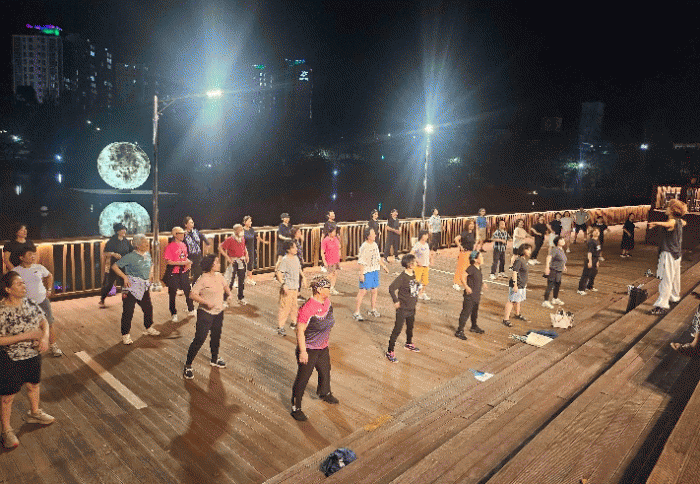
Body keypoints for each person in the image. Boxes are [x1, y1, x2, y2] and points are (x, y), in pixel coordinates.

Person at [0, 271, 55, 449]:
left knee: (33, 385)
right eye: (19, 284)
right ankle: (6, 430)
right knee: (8, 396)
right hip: (10, 357)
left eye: (23, 283)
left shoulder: (30, 302)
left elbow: (43, 321)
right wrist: (28, 335)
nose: (24, 286)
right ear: (8, 289)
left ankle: (34, 412)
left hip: (32, 354)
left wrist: (44, 337)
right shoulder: (2, 311)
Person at [290, 276, 339, 421]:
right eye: (328, 288)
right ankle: (296, 408)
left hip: (322, 347)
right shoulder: (307, 308)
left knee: (325, 371)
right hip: (309, 349)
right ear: (319, 290)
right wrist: (303, 352)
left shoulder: (327, 302)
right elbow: (299, 331)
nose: (330, 289)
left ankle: (324, 393)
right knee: (303, 379)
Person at [183, 255, 232, 380]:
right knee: (199, 339)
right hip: (205, 313)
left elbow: (225, 286)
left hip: (218, 313)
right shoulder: (203, 279)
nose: (219, 264)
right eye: (216, 262)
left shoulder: (219, 276)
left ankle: (214, 359)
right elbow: (192, 294)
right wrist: (205, 302)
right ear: (211, 265)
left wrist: (229, 295)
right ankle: (188, 365)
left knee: (216, 337)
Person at [110, 234, 160, 344]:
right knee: (128, 310)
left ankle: (148, 327)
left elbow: (151, 264)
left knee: (148, 308)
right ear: (137, 245)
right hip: (130, 287)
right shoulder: (130, 256)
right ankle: (125, 335)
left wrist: (151, 273)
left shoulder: (147, 254)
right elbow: (115, 266)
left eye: (147, 241)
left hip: (143, 286)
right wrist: (124, 277)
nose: (147, 244)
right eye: (144, 242)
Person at [13, 248, 62, 356]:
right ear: (21, 257)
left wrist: (49, 289)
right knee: (27, 327)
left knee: (49, 323)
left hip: (42, 300)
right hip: (25, 303)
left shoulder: (39, 267)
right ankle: (29, 348)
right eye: (30, 254)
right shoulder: (15, 271)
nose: (33, 256)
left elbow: (49, 275)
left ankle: (53, 346)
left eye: (34, 254)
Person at [649, 200, 687, 315]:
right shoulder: (680, 221)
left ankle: (662, 305)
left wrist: (656, 223)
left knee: (666, 278)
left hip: (668, 253)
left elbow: (669, 224)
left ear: (672, 210)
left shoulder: (673, 221)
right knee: (674, 277)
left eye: (668, 207)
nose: (666, 208)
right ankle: (674, 297)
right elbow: (683, 222)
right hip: (676, 254)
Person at [386, 254, 420, 363]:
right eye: (414, 262)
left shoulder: (413, 274)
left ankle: (408, 343)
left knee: (410, 328)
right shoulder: (402, 277)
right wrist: (396, 301)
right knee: (397, 330)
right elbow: (391, 288)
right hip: (403, 309)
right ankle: (390, 351)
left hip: (411, 308)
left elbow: (412, 287)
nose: (416, 263)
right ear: (410, 265)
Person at [353, 228, 389, 321]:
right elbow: (361, 261)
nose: (375, 235)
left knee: (374, 290)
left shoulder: (375, 245)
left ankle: (372, 309)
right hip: (366, 271)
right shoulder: (364, 247)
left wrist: (384, 266)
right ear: (368, 236)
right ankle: (356, 312)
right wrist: (361, 274)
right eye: (373, 234)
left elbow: (378, 258)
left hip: (374, 270)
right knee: (362, 292)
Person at [98, 223, 134, 308]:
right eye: (122, 229)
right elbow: (105, 253)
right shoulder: (112, 241)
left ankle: (125, 301)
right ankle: (102, 299)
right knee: (109, 284)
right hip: (114, 266)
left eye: (124, 229)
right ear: (117, 231)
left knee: (125, 284)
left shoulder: (126, 241)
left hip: (124, 265)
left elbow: (131, 251)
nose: (124, 231)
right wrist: (113, 254)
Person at [163, 226, 195, 322]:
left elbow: (184, 257)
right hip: (174, 273)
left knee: (187, 290)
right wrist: (183, 263)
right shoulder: (170, 246)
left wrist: (188, 262)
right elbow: (169, 262)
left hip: (183, 272)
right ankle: (173, 313)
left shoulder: (184, 245)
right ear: (175, 235)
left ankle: (191, 309)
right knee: (172, 293)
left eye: (183, 233)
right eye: (180, 233)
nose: (183, 235)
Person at [276, 241, 306, 336]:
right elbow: (279, 273)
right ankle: (280, 327)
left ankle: (294, 322)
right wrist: (283, 284)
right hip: (288, 288)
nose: (296, 249)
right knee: (285, 307)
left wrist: (304, 277)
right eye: (293, 247)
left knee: (294, 306)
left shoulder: (296, 258)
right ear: (288, 250)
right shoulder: (285, 260)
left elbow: (299, 269)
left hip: (295, 287)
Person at [456, 250, 487, 339]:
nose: (482, 258)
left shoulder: (479, 268)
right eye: (481, 257)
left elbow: (477, 278)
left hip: (476, 295)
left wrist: (483, 283)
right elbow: (462, 276)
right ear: (475, 260)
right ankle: (459, 331)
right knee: (466, 312)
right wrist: (466, 287)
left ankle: (474, 326)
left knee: (474, 312)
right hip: (470, 296)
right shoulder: (471, 268)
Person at [503, 243, 532, 327]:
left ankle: (517, 314)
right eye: (528, 250)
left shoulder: (523, 260)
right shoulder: (519, 260)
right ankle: (505, 319)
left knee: (518, 300)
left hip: (521, 284)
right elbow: (514, 272)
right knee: (511, 301)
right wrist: (515, 285)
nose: (530, 252)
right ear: (523, 250)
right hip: (517, 284)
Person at [219, 224, 249, 306]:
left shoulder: (242, 238)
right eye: (240, 229)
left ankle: (240, 298)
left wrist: (246, 255)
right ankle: (224, 299)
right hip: (234, 261)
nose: (242, 231)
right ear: (236, 231)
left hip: (241, 260)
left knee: (241, 280)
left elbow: (244, 247)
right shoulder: (230, 239)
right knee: (230, 281)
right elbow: (220, 248)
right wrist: (227, 257)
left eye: (242, 229)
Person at [183, 216, 211, 283]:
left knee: (199, 272)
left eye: (192, 222)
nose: (192, 224)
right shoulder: (184, 234)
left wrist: (207, 247)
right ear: (186, 225)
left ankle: (195, 285)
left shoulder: (196, 232)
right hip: (189, 256)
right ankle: (191, 285)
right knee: (190, 273)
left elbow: (204, 239)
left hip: (198, 255)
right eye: (190, 223)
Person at [243, 215, 269, 285]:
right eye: (249, 221)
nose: (251, 223)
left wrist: (264, 242)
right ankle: (243, 278)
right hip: (244, 249)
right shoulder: (242, 231)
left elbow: (257, 236)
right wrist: (245, 251)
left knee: (251, 263)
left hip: (251, 249)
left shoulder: (251, 230)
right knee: (243, 264)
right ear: (245, 222)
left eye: (251, 221)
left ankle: (249, 278)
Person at [542, 236, 567, 309]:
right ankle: (545, 301)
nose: (563, 240)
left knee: (557, 284)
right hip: (554, 270)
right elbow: (548, 257)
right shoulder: (555, 249)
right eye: (561, 240)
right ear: (557, 242)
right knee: (550, 285)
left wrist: (564, 266)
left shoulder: (561, 250)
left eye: (563, 239)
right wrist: (547, 267)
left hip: (559, 270)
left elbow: (562, 259)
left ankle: (555, 298)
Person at [577, 227, 602, 296]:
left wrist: (597, 261)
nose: (597, 232)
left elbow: (598, 252)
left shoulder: (597, 241)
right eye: (595, 231)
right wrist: (590, 261)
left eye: (598, 231)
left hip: (595, 259)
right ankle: (580, 289)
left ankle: (589, 286)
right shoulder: (591, 241)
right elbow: (589, 252)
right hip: (591, 259)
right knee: (586, 274)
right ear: (592, 233)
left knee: (593, 274)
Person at [453, 219, 476, 290]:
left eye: (473, 224)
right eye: (470, 224)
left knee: (469, 269)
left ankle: (466, 283)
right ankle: (456, 283)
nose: (472, 225)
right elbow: (456, 239)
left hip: (471, 252)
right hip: (464, 253)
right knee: (461, 268)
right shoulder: (464, 233)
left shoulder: (473, 233)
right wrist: (460, 246)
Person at [411, 230, 433, 300]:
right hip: (419, 267)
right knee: (416, 280)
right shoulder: (418, 244)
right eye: (425, 235)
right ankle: (415, 293)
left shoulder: (426, 244)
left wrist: (431, 259)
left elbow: (428, 253)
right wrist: (417, 261)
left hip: (426, 265)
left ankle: (422, 293)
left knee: (425, 282)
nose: (427, 236)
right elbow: (411, 253)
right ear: (422, 236)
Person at [321, 227, 342, 295]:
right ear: (330, 233)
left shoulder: (335, 239)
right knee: (330, 275)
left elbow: (339, 247)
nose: (335, 233)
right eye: (333, 232)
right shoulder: (325, 240)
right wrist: (324, 261)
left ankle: (332, 287)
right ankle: (321, 285)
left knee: (335, 273)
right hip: (329, 260)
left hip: (335, 259)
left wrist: (339, 256)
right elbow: (322, 252)